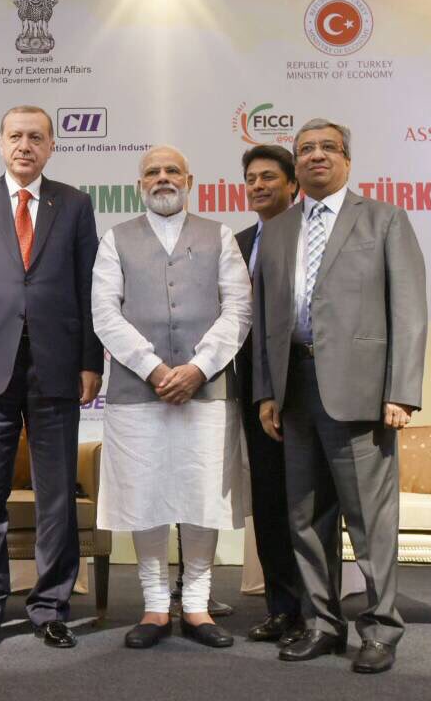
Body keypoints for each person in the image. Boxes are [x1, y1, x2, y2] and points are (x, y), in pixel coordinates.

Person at [252, 119, 427, 673]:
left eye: (328, 148)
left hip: (362, 392)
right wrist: (266, 393)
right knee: (305, 518)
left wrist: (400, 391)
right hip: (294, 389)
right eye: (305, 150)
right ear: (296, 165)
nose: (316, 156)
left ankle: (380, 629)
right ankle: (323, 624)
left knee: (367, 519)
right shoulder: (277, 229)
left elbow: (410, 311)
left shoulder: (383, 219)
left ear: (348, 161)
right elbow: (264, 320)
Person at [0, 105, 102, 650]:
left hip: (56, 365)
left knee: (56, 493)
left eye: (36, 137)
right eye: (15, 136)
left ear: (52, 146)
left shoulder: (75, 205)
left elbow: (89, 290)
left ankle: (51, 605)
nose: (25, 145)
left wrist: (90, 362)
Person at [92, 146, 251, 649]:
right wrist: (156, 369)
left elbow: (239, 310)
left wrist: (199, 368)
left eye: (171, 171)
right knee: (146, 495)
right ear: (140, 183)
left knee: (202, 496)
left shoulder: (219, 235)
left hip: (206, 392)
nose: (162, 179)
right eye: (152, 173)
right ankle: (156, 606)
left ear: (190, 179)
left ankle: (198, 606)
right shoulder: (115, 239)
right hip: (137, 394)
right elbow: (104, 314)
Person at [233, 145, 304, 646]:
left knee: (309, 501)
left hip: (304, 384)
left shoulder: (312, 236)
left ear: (293, 184)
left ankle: (318, 607)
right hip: (252, 389)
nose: (259, 186)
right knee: (271, 501)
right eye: (251, 179)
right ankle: (282, 608)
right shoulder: (236, 242)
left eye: (269, 178)